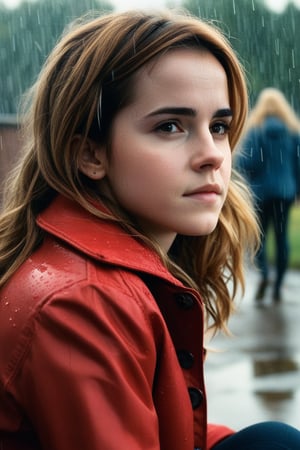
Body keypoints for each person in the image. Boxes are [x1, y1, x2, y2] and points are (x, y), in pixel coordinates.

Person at [0, 9, 300, 450]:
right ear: (90, 155)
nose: (213, 155)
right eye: (170, 126)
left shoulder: (102, 271)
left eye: (218, 126)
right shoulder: (80, 304)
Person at [235, 88, 300, 304]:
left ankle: (264, 274)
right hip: (285, 193)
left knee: (259, 239)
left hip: (261, 193)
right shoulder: (293, 132)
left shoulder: (256, 131)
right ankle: (279, 286)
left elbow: (247, 163)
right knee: (282, 238)